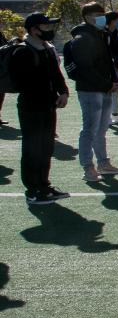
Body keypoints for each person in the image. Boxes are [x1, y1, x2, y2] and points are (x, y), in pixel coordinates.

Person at [63, 1, 118, 183]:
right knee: (90, 129)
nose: (101, 18)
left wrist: (112, 81)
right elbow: (85, 69)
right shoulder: (83, 38)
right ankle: (88, 167)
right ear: (87, 17)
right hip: (91, 90)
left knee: (101, 128)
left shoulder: (100, 34)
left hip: (103, 88)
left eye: (102, 14)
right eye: (97, 15)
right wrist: (107, 84)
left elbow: (106, 60)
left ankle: (103, 163)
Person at [11, 13, 70, 204]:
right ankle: (33, 189)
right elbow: (23, 82)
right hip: (31, 107)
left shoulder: (46, 48)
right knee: (32, 148)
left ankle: (44, 185)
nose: (49, 30)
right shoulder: (23, 51)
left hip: (47, 105)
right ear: (34, 29)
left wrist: (63, 92)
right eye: (45, 27)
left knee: (46, 147)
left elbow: (56, 74)